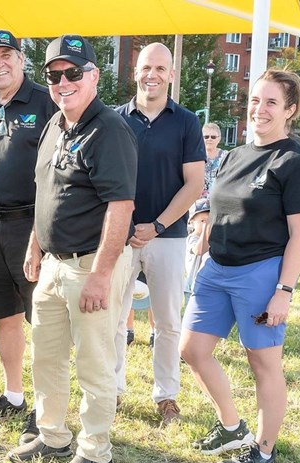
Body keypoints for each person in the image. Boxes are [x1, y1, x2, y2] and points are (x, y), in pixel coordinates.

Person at [180, 69, 300, 463]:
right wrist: (205, 222)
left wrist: (284, 291)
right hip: (216, 269)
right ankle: (232, 427)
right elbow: (222, 203)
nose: (259, 109)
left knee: (262, 364)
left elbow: (299, 236)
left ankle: (264, 455)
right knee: (191, 350)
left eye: (271, 103)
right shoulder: (235, 155)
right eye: (256, 100)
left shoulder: (297, 163)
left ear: (290, 111)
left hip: (260, 275)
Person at [6, 35, 137, 463]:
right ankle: (52, 434)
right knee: (47, 357)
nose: (63, 82)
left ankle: (96, 451)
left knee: (94, 363)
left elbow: (121, 206)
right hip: (52, 264)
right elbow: (46, 192)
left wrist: (102, 275)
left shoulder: (109, 129)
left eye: (73, 73)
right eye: (54, 75)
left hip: (89, 266)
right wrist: (34, 245)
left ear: (94, 76)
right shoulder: (55, 124)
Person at [0, 29, 58, 440]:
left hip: (32, 226)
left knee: (42, 322)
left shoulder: (47, 103)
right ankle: (14, 396)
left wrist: (38, 240)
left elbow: (57, 179)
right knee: (5, 316)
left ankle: (45, 408)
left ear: (22, 59)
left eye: (6, 54)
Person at [114, 42, 205, 425]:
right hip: (118, 236)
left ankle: (166, 396)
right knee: (114, 320)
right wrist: (126, 225)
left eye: (160, 68)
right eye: (146, 67)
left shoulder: (185, 122)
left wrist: (158, 225)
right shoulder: (115, 119)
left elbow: (194, 183)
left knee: (167, 321)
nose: (152, 74)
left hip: (167, 236)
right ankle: (112, 391)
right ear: (136, 70)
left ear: (171, 74)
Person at [188, 122, 227, 257]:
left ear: (219, 138)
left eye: (213, 137)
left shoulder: (227, 156)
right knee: (198, 230)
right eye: (206, 136)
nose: (209, 139)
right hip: (197, 202)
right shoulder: (193, 155)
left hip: (218, 200)